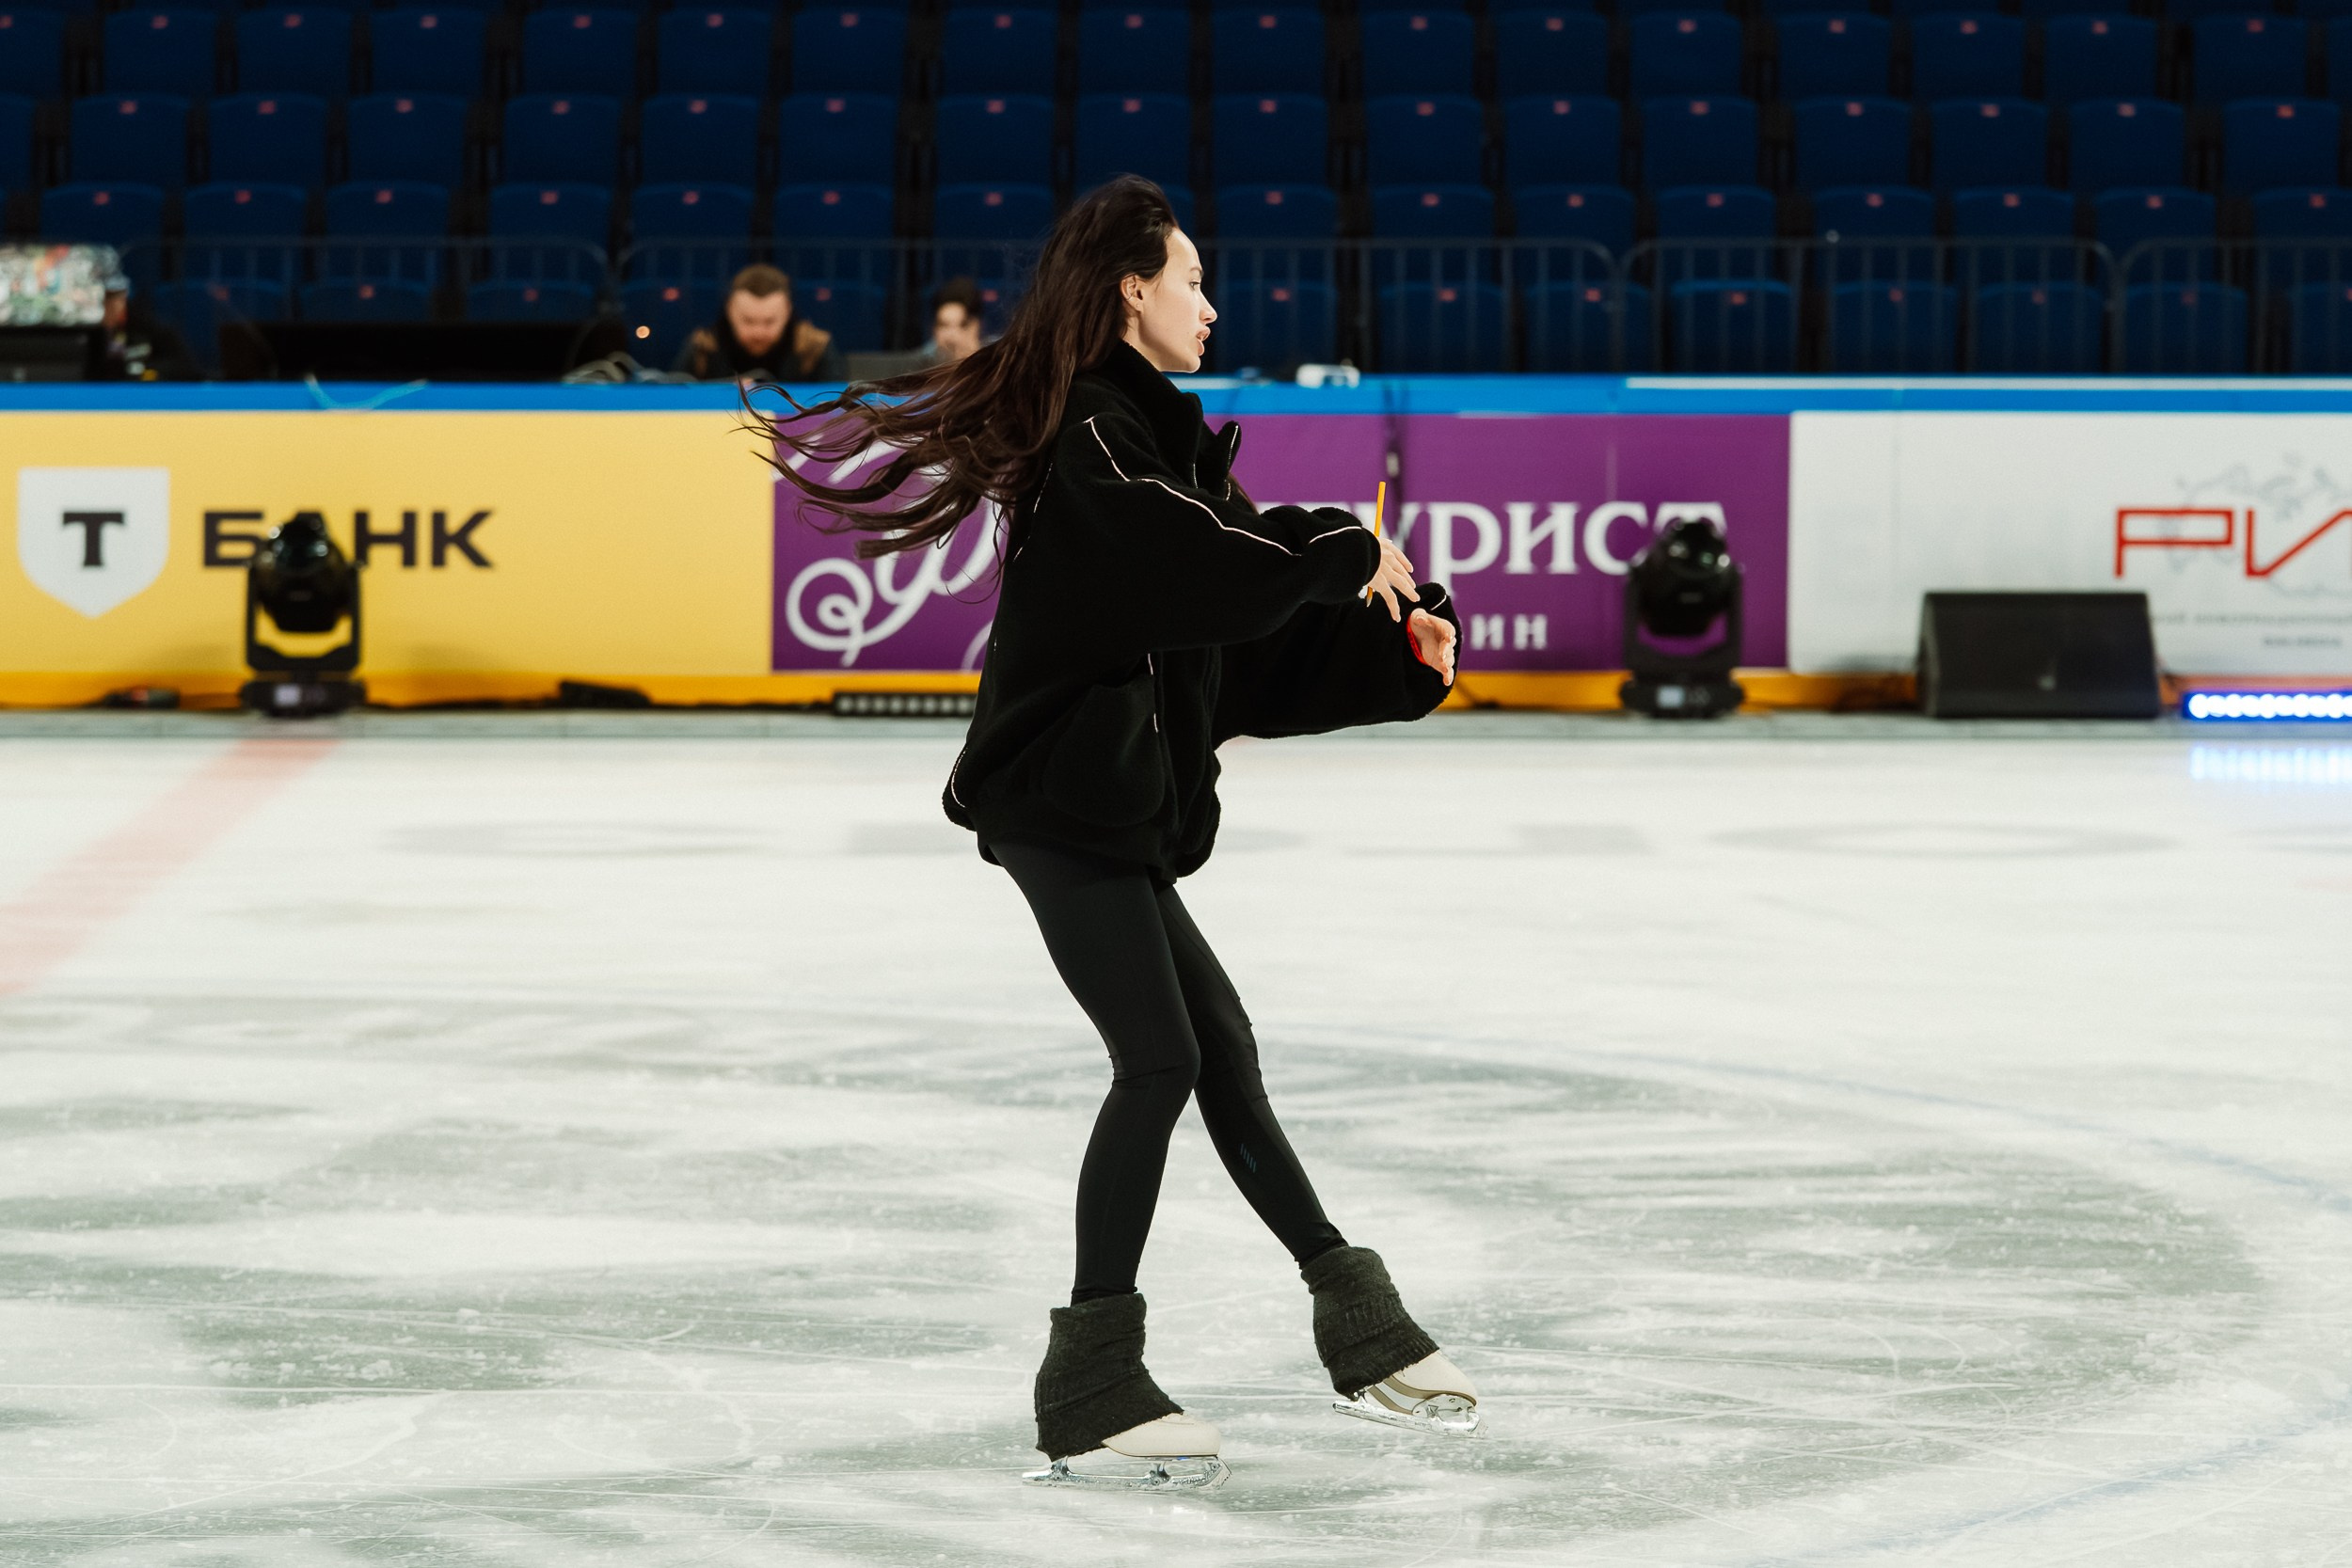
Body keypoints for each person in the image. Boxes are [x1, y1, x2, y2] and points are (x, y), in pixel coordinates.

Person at [756, 176, 1470, 1492]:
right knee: (1160, 1058)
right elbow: (1197, 563)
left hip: (1114, 801)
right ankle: (1091, 1380)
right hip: (1056, 799)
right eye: (1192, 279)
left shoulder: (1161, 446)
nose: (1212, 305)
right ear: (1133, 288)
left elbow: (1237, 657)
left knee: (1217, 1048)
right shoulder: (1097, 438)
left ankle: (1362, 1321)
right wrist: (1332, 546)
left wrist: (1396, 657)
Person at [675, 264, 843, 382]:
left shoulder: (815, 348)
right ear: (729, 310)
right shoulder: (702, 348)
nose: (758, 332)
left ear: (787, 311)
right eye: (748, 321)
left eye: (769, 321)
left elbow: (838, 411)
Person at [925, 276, 985, 366]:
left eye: (962, 325)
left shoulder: (992, 365)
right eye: (944, 325)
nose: (952, 335)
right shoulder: (918, 365)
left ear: (976, 327)